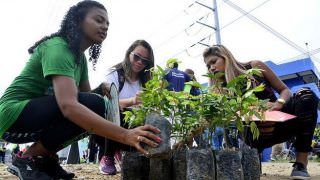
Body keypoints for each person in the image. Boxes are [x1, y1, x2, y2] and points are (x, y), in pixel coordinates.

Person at [0, 1, 161, 179]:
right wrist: (125, 135)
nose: (105, 27)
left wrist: (102, 90)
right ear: (78, 20)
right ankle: (29, 158)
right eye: (99, 20)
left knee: (100, 106)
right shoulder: (58, 48)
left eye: (107, 24)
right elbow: (69, 106)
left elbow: (89, 100)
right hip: (11, 117)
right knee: (94, 105)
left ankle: (43, 158)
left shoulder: (80, 59)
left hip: (33, 122)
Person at [203, 44, 318, 179]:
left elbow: (284, 90)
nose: (211, 68)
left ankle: (301, 164)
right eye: (207, 66)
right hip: (254, 135)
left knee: (306, 95)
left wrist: (278, 103)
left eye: (214, 61)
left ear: (225, 57)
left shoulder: (255, 66)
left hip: (281, 123)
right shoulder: (218, 91)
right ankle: (249, 161)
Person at [93, 39, 154, 175]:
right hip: (109, 129)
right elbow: (107, 104)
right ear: (128, 54)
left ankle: (138, 156)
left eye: (145, 61)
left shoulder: (147, 81)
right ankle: (108, 156)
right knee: (120, 113)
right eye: (137, 57)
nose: (140, 62)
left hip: (136, 127)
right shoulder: (114, 75)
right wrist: (132, 101)